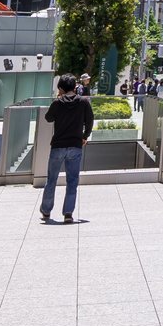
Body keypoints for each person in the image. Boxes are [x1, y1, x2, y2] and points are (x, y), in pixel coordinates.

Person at [41, 73, 94, 224]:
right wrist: (85, 136)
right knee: (72, 181)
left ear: (61, 88)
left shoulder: (58, 103)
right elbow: (89, 121)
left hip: (58, 145)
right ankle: (68, 213)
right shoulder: (84, 102)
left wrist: (58, 99)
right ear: (75, 87)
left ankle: (46, 210)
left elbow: (48, 118)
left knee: (51, 179)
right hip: (75, 146)